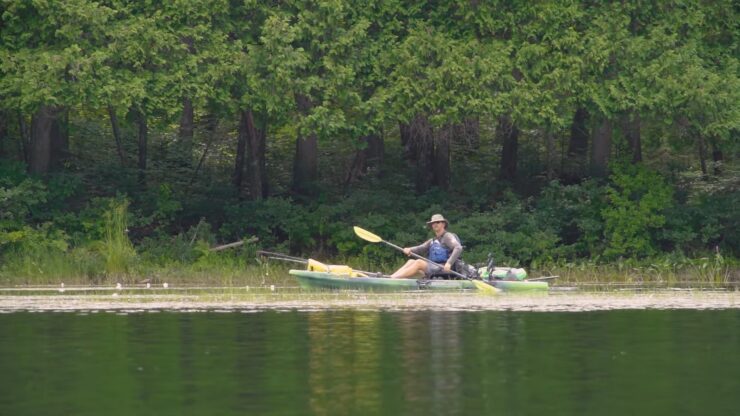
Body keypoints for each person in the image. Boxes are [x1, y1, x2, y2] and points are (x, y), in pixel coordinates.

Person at [390, 214, 463, 279]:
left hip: (445, 268)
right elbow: (420, 248)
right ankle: (391, 277)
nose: (435, 224)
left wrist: (449, 263)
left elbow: (458, 247)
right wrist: (409, 249)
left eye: (437, 222)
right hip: (435, 268)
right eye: (433, 223)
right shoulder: (432, 240)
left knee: (419, 262)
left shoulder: (448, 236)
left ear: (443, 224)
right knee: (411, 261)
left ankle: (394, 278)